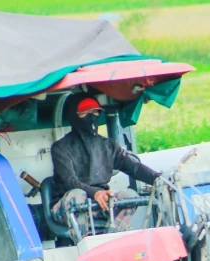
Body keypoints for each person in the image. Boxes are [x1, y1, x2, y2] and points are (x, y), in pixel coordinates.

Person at [50, 94, 161, 238]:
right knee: (78, 195)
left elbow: (134, 167)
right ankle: (84, 245)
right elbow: (69, 180)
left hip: (101, 203)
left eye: (95, 112)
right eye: (85, 113)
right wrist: (95, 192)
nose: (91, 117)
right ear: (74, 116)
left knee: (130, 195)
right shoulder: (60, 148)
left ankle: (113, 238)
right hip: (67, 208)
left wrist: (158, 179)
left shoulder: (108, 145)